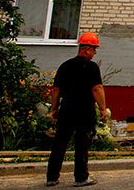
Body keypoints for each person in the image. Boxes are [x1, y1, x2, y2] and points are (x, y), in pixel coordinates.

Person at [46, 32, 107, 188]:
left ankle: (51, 177)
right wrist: (103, 109)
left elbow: (56, 90)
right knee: (82, 144)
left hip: (66, 109)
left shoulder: (65, 66)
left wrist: (54, 109)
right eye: (94, 49)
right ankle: (81, 177)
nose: (95, 53)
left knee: (59, 143)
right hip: (85, 111)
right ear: (86, 49)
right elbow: (97, 88)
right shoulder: (91, 67)